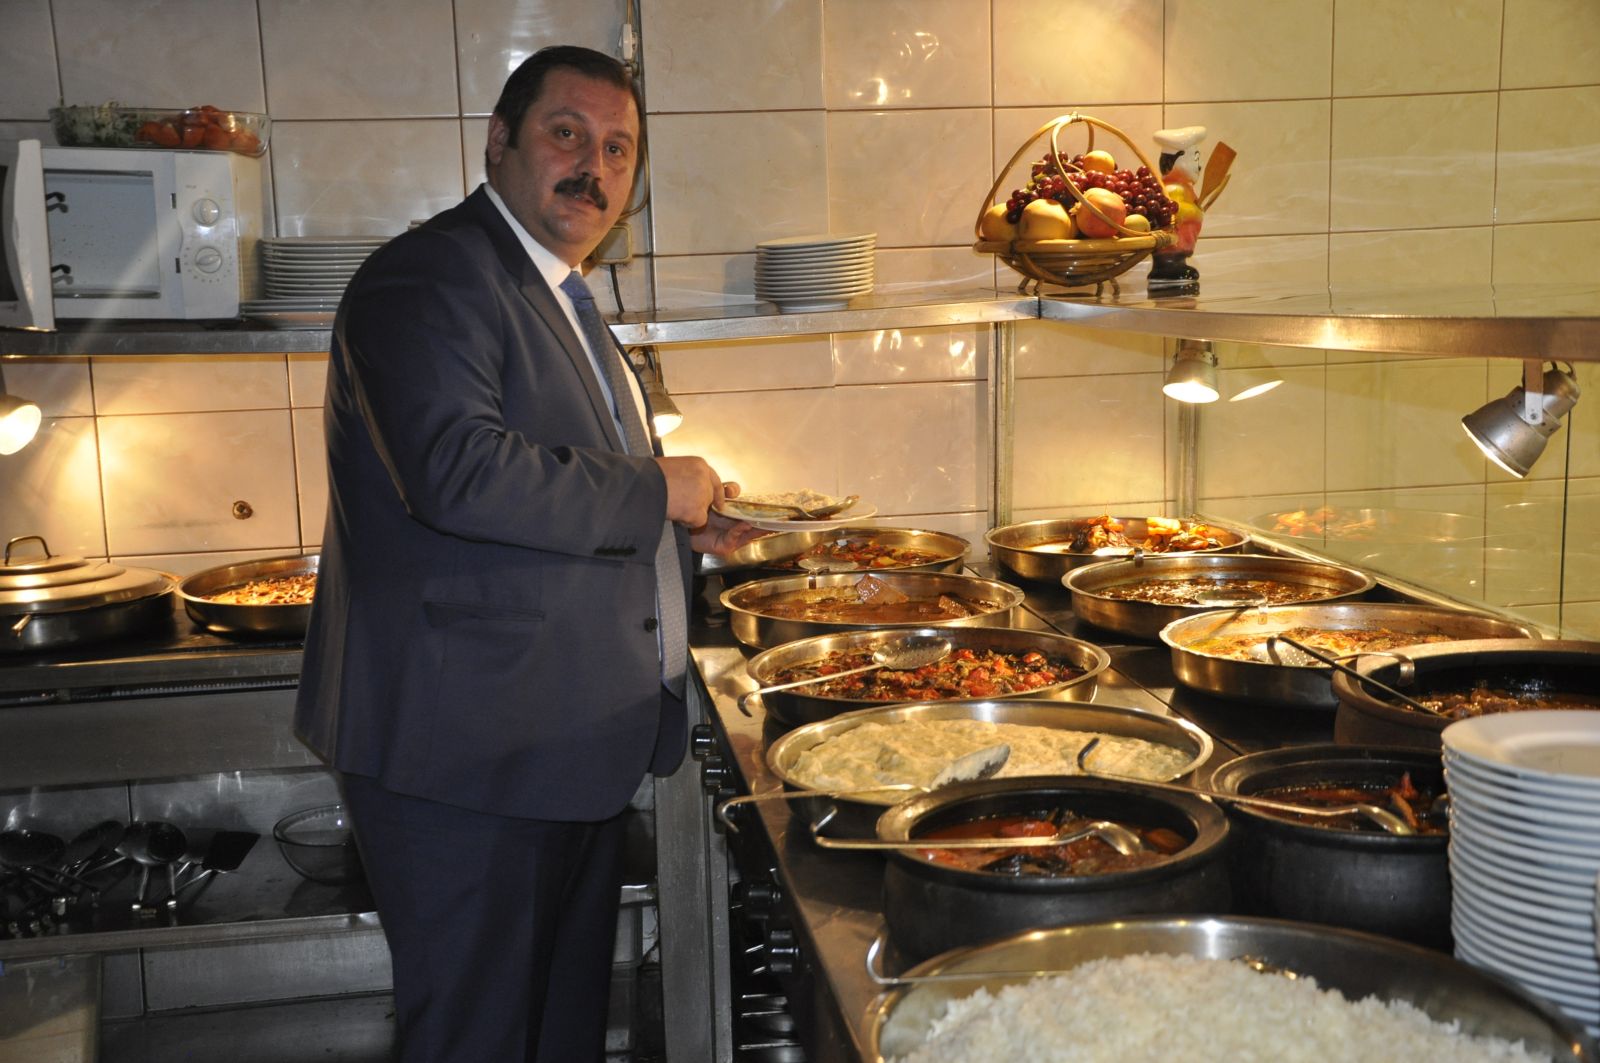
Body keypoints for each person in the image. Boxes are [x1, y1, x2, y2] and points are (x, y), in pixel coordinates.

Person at [293, 44, 762, 1062]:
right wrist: (656, 487)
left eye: (618, 149)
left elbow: (558, 492)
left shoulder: (557, 292)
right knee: (479, 1034)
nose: (594, 167)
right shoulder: (429, 276)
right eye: (567, 134)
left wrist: (683, 528)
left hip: (558, 747)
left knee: (555, 1031)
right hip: (466, 756)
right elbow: (456, 471)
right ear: (498, 141)